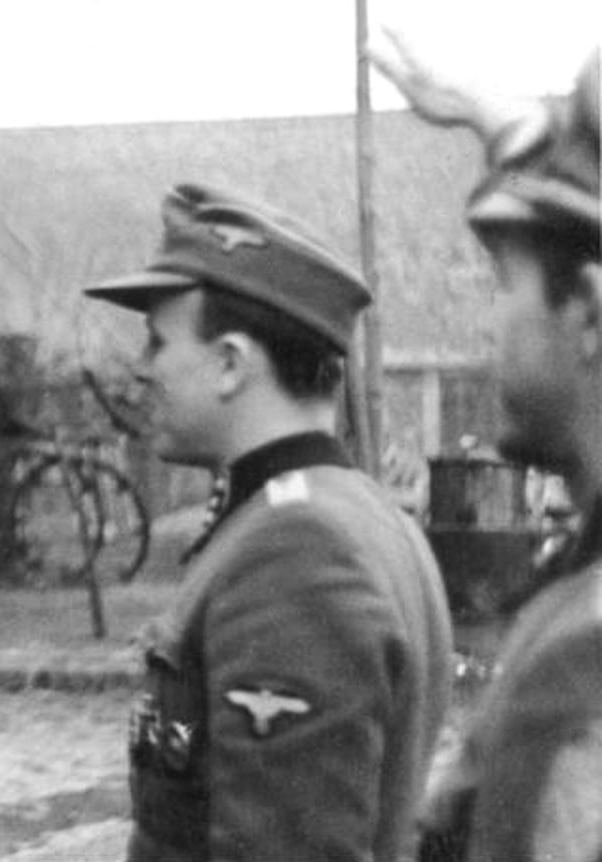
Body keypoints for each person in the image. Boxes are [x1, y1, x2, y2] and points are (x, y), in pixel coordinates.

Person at [84, 183, 454, 860]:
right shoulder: (361, 514)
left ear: (229, 363)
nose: (142, 370)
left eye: (158, 343)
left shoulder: (296, 549)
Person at [371, 36, 602, 862]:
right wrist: (486, 113)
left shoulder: (584, 669)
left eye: (503, 284)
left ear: (588, 310)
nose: (485, 323)